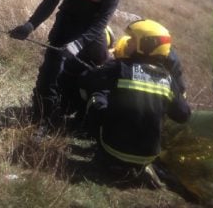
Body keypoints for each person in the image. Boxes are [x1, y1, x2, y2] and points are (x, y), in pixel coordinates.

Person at [8, 0, 124, 127]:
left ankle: (81, 119)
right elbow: (50, 1)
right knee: (49, 77)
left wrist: (79, 44)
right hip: (65, 25)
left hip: (91, 33)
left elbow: (102, 20)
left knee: (93, 77)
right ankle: (42, 119)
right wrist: (30, 25)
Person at [80, 19, 191, 186]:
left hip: (113, 149)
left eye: (133, 40)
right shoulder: (168, 79)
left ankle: (101, 151)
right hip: (148, 155)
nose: (128, 43)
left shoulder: (121, 67)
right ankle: (138, 168)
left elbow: (87, 79)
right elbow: (183, 115)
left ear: (146, 45)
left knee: (95, 95)